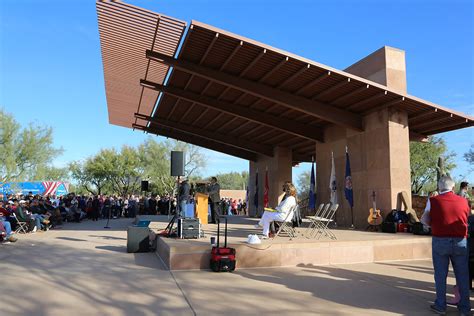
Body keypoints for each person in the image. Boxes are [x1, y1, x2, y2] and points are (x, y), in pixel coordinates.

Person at [420, 176, 471, 315]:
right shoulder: (464, 201)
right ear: (453, 188)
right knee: (462, 275)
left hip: (440, 240)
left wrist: (435, 224)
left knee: (440, 274)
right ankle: (465, 308)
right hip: (461, 240)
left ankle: (441, 305)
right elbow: (466, 217)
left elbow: (424, 220)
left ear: (439, 187)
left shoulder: (433, 200)